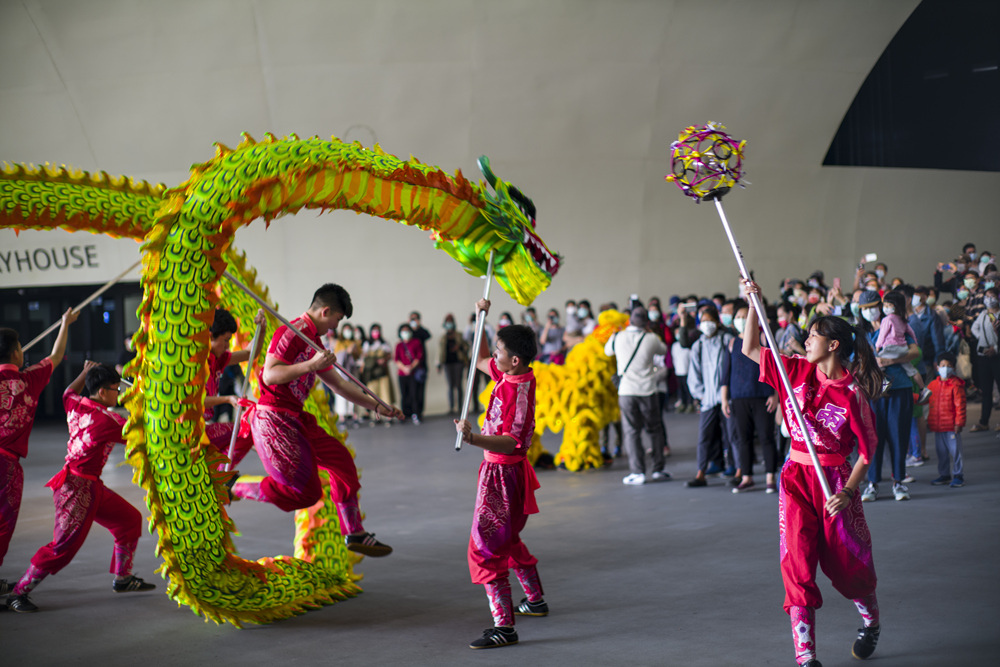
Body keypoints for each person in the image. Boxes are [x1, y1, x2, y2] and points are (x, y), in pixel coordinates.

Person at [742, 279, 884, 667]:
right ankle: (806, 657)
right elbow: (751, 347)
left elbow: (867, 454)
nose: (806, 341)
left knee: (848, 564)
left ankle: (871, 623)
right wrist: (753, 303)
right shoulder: (793, 371)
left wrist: (850, 492)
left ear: (833, 345)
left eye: (814, 336)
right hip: (795, 481)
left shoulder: (852, 393)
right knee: (797, 562)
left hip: (835, 486)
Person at [231, 284, 404, 557]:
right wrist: (311, 365)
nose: (334, 327)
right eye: (336, 320)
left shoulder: (315, 342)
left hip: (297, 418)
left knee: (342, 461)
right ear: (325, 311)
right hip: (275, 420)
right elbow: (270, 376)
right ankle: (238, 486)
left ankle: (354, 532)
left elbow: (340, 386)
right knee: (306, 495)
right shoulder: (290, 333)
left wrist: (379, 406)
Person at [5, 362, 155, 613]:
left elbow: (67, 391)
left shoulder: (76, 403)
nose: (119, 394)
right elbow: (144, 436)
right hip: (76, 490)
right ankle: (19, 593)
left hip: (89, 484)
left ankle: (123, 579)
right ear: (104, 391)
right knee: (62, 548)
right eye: (117, 390)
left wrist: (84, 373)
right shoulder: (108, 420)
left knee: (129, 520)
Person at [454, 299, 545, 650]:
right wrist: (481, 317)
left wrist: (472, 437)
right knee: (506, 540)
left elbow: (511, 441)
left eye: (500, 351)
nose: (495, 355)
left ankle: (504, 626)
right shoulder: (509, 374)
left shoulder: (518, 392)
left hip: (504, 477)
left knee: (485, 547)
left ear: (515, 360)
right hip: (500, 472)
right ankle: (534, 599)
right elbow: (478, 360)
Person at [0, 308, 78, 597]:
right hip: (6, 465)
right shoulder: (28, 379)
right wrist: (65, 324)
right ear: (17, 353)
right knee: (3, 525)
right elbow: (56, 357)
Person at [856, 290, 919, 503]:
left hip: (899, 388)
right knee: (873, 438)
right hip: (873, 392)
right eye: (864, 309)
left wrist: (890, 361)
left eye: (873, 306)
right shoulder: (860, 333)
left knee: (898, 435)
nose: (870, 312)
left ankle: (898, 481)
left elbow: (914, 351)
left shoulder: (895, 323)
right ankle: (872, 483)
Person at [605, 308, 670, 485]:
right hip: (648, 390)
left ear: (629, 321)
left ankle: (638, 472)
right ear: (647, 323)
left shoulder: (618, 337)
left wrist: (616, 334)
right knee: (655, 430)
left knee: (632, 432)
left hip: (626, 391)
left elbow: (607, 352)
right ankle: (658, 469)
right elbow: (663, 350)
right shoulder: (651, 338)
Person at [721, 306, 779, 493]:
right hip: (739, 397)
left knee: (766, 437)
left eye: (745, 316)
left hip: (763, 395)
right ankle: (747, 477)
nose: (740, 320)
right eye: (737, 317)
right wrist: (724, 399)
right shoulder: (732, 343)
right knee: (742, 439)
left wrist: (775, 394)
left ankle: (770, 476)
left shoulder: (763, 339)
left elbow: (775, 368)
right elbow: (725, 374)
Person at [203, 308, 265, 469]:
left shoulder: (220, 358)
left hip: (201, 428)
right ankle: (219, 472)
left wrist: (262, 328)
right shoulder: (196, 361)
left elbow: (250, 353)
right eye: (225, 340)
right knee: (243, 431)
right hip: (186, 434)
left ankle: (220, 471)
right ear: (210, 336)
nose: (227, 346)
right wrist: (228, 398)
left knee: (246, 430)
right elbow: (193, 400)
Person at [685, 307, 734, 487]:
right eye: (703, 321)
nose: (707, 324)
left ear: (717, 321)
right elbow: (694, 374)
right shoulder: (698, 345)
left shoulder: (727, 340)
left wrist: (729, 395)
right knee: (705, 436)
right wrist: (701, 395)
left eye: (710, 320)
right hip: (708, 399)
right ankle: (701, 472)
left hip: (726, 398)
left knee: (731, 435)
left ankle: (737, 470)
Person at [874, 291, 931, 404]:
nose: (885, 308)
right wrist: (915, 342)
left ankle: (884, 383)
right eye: (884, 305)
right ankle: (923, 389)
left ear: (895, 306)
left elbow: (882, 334)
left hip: (890, 348)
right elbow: (911, 333)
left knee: (877, 363)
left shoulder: (887, 319)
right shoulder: (903, 319)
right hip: (903, 349)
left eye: (888, 305)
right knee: (911, 370)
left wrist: (877, 346)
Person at [926, 352, 966, 487]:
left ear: (953, 368)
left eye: (949, 366)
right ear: (937, 367)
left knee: (955, 452)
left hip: (951, 427)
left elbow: (960, 406)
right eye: (942, 365)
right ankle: (944, 475)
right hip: (938, 427)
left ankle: (958, 475)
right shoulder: (933, 385)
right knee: (941, 452)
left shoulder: (956, 385)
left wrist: (959, 423)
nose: (945, 368)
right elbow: (924, 399)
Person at [969, 287, 999, 432]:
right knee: (985, 390)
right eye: (987, 296)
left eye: (992, 296)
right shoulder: (983, 314)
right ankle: (984, 422)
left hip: (997, 356)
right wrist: (981, 338)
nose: (989, 299)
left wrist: (996, 348)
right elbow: (974, 328)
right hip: (983, 355)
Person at [362, 324, 396, 424]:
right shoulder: (367, 344)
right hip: (371, 374)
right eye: (374, 330)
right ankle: (376, 417)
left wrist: (384, 359)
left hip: (383, 372)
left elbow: (390, 355)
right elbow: (364, 357)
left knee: (385, 393)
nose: (376, 333)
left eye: (377, 330)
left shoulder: (384, 343)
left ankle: (389, 416)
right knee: (372, 395)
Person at [438, 314, 469, 415]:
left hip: (458, 362)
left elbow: (466, 346)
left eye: (451, 321)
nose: (449, 324)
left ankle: (460, 407)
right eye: (447, 322)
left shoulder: (459, 335)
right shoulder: (443, 337)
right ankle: (451, 407)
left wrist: (459, 347)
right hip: (447, 363)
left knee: (459, 385)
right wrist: (438, 364)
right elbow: (440, 352)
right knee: (450, 385)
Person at [396, 323, 424, 424]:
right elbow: (396, 359)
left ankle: (416, 414)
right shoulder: (399, 345)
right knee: (404, 395)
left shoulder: (416, 342)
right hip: (402, 374)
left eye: (407, 331)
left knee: (414, 394)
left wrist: (411, 367)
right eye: (403, 331)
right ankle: (405, 415)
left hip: (413, 373)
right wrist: (404, 368)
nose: (405, 333)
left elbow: (419, 357)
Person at [408, 311, 431, 420]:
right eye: (412, 319)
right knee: (412, 391)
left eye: (416, 319)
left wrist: (418, 327)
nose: (414, 321)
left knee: (421, 391)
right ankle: (413, 412)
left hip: (421, 366)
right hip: (409, 368)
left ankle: (420, 412)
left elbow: (428, 335)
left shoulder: (421, 333)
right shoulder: (407, 332)